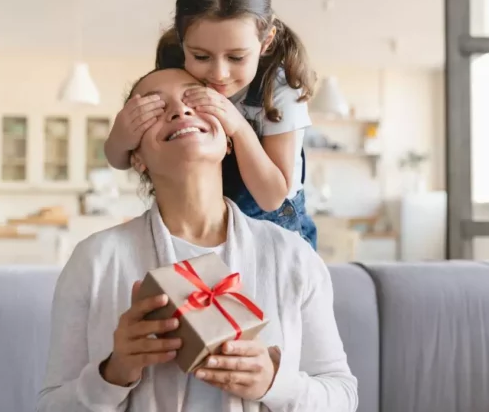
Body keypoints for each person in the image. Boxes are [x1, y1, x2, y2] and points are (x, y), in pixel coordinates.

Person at [37, 68, 358, 412]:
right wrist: (113, 373)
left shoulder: (292, 257)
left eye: (196, 99)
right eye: (155, 109)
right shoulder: (94, 261)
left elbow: (341, 397)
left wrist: (274, 383)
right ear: (137, 158)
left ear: (229, 139)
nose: (180, 111)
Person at [104, 0, 318, 249]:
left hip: (277, 223)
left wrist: (238, 126)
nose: (219, 74)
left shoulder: (280, 88)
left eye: (237, 57)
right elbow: (123, 159)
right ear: (182, 43)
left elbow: (271, 197)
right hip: (213, 225)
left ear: (265, 42)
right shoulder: (176, 67)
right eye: (201, 56)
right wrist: (122, 135)